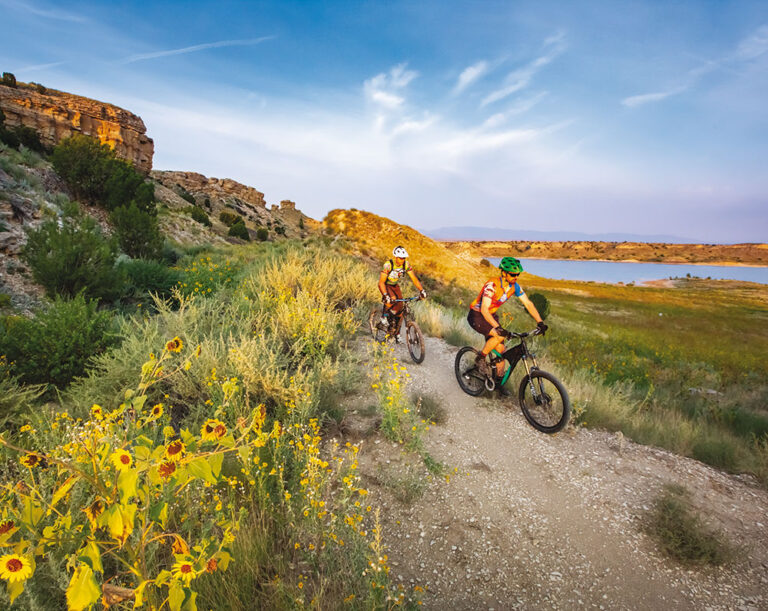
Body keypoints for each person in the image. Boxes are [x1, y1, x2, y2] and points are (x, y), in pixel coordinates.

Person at [467, 256, 547, 381]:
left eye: (517, 274)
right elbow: (484, 309)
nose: (515, 277)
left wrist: (540, 322)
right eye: (512, 274)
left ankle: (498, 383)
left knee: (501, 350)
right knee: (499, 336)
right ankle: (480, 358)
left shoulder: (514, 286)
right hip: (477, 315)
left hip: (491, 315)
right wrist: (498, 327)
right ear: (504, 273)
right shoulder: (492, 285)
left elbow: (528, 303)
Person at [378, 246, 427, 340]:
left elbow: (414, 279)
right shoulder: (388, 265)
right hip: (385, 284)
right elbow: (381, 282)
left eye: (404, 258)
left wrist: (422, 290)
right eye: (400, 258)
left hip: (395, 285)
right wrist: (385, 295)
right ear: (396, 257)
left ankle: (396, 333)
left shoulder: (406, 265)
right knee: (391, 299)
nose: (402, 260)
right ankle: (384, 316)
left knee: (400, 308)